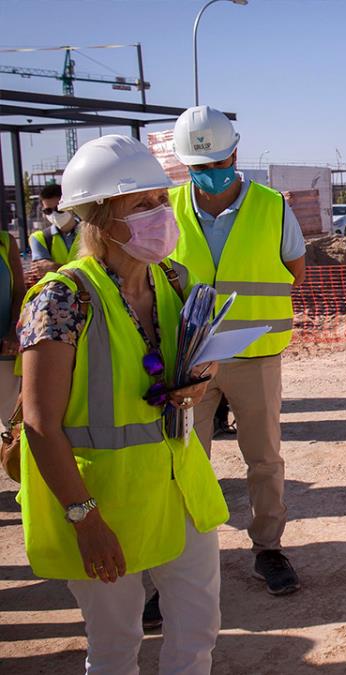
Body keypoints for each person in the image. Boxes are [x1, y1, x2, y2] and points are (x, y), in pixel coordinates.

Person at [16, 134, 229, 674]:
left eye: (161, 201)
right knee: (116, 642)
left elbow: (200, 361)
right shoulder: (62, 298)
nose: (161, 214)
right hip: (103, 500)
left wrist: (200, 382)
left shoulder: (174, 280)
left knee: (198, 626)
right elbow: (40, 424)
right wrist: (85, 520)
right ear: (100, 218)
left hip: (181, 485)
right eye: (141, 205)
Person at [165, 104, 306, 596]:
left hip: (257, 353)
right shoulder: (166, 208)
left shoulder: (272, 205)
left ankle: (268, 548)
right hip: (189, 360)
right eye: (198, 168)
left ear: (235, 154)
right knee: (184, 458)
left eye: (216, 164)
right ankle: (181, 559)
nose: (208, 176)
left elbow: (295, 272)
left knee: (264, 457)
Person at [0, 224, 26, 427]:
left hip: (4, 351)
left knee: (12, 425)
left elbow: (19, 291)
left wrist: (13, 331)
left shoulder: (6, 242)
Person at [30, 183, 82, 275]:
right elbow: (42, 272)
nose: (54, 214)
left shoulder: (92, 232)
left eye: (58, 209)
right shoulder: (39, 238)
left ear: (70, 206)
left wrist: (55, 267)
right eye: (48, 211)